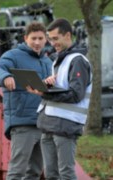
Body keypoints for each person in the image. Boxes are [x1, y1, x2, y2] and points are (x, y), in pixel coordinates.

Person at [26, 18, 92, 180]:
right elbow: (62, 88)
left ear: (68, 35)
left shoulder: (78, 61)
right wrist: (45, 86)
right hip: (49, 124)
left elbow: (76, 95)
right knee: (51, 174)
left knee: (66, 173)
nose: (52, 43)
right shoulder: (60, 60)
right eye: (50, 39)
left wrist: (45, 93)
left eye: (55, 38)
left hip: (66, 125)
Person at [0, 22, 53, 180]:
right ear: (25, 38)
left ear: (46, 40)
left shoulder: (48, 62)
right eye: (33, 38)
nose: (37, 42)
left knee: (35, 172)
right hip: (23, 123)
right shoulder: (13, 55)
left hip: (44, 124)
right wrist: (5, 77)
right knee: (17, 170)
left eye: (40, 38)